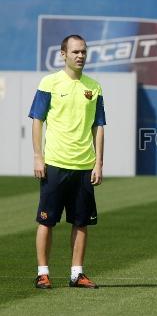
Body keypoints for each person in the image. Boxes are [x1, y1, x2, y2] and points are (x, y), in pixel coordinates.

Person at [29, 34, 106, 289]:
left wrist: (99, 163)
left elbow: (99, 126)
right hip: (55, 163)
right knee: (46, 220)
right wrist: (38, 156)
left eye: (83, 51)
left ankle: (77, 273)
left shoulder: (94, 87)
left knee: (81, 222)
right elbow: (37, 120)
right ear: (63, 54)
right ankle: (43, 273)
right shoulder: (49, 83)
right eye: (75, 52)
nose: (80, 56)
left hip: (84, 165)